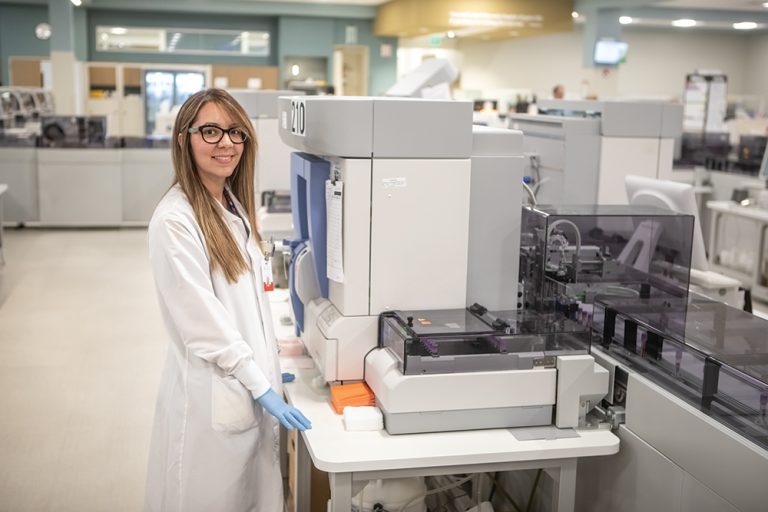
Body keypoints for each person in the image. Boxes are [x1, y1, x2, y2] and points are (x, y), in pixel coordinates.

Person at [144, 88, 311, 512]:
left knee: (250, 495)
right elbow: (203, 324)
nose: (226, 143)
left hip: (244, 381)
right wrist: (258, 382)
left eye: (235, 132)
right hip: (213, 394)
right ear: (183, 138)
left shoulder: (231, 203)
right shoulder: (175, 220)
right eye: (211, 131)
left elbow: (243, 305)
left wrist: (268, 367)